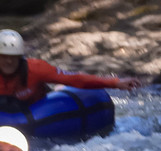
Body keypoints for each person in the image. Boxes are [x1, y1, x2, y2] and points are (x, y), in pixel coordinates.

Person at [0, 29, 140, 105]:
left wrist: (115, 82)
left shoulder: (36, 68)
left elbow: (75, 79)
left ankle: (60, 90)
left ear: (20, 57)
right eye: (4, 56)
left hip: (36, 106)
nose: (8, 61)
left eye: (13, 57)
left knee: (61, 86)